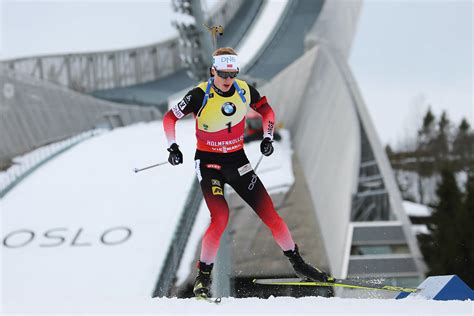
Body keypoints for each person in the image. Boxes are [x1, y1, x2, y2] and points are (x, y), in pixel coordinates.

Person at [162, 47, 332, 297]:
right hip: (209, 165)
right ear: (213, 71)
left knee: (270, 215)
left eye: (232, 74)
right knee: (220, 218)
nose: (228, 80)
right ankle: (203, 278)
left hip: (237, 162)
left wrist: (268, 137)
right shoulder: (199, 95)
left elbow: (268, 112)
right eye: (223, 74)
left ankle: (299, 264)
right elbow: (169, 118)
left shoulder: (243, 90)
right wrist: (172, 147)